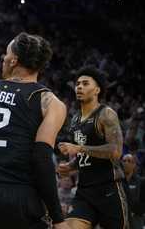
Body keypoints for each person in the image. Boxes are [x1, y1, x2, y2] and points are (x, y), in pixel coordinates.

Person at [0, 33, 69, 229]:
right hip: (19, 200)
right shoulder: (50, 102)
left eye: (6, 54)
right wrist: (58, 218)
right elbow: (41, 158)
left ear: (14, 60)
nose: (3, 59)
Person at [58, 67, 129, 229]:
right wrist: (71, 166)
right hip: (84, 191)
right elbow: (86, 154)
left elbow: (115, 152)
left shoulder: (106, 114)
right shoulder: (75, 119)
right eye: (77, 84)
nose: (79, 87)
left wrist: (79, 148)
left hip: (109, 189)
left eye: (85, 83)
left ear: (97, 90)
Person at [122, 154, 142, 229]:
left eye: (129, 161)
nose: (126, 163)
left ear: (134, 165)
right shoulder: (117, 180)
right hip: (120, 218)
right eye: (124, 161)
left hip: (135, 219)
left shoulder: (140, 181)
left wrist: (134, 211)